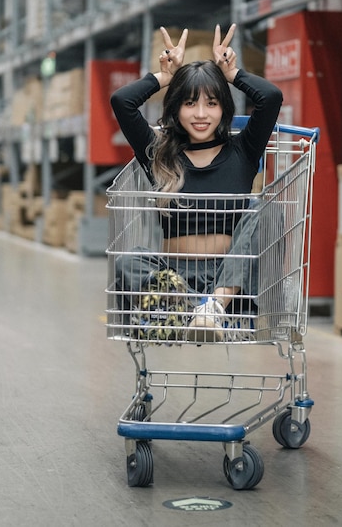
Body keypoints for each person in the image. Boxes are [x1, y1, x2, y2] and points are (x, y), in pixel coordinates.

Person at [110, 23, 283, 341]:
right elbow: (122, 101)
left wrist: (232, 74)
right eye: (189, 103)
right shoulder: (159, 155)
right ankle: (192, 312)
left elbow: (271, 98)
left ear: (223, 108)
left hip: (227, 281)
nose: (201, 114)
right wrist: (163, 78)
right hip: (174, 278)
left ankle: (212, 309)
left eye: (212, 103)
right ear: (175, 108)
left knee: (265, 208)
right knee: (128, 260)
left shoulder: (242, 151)